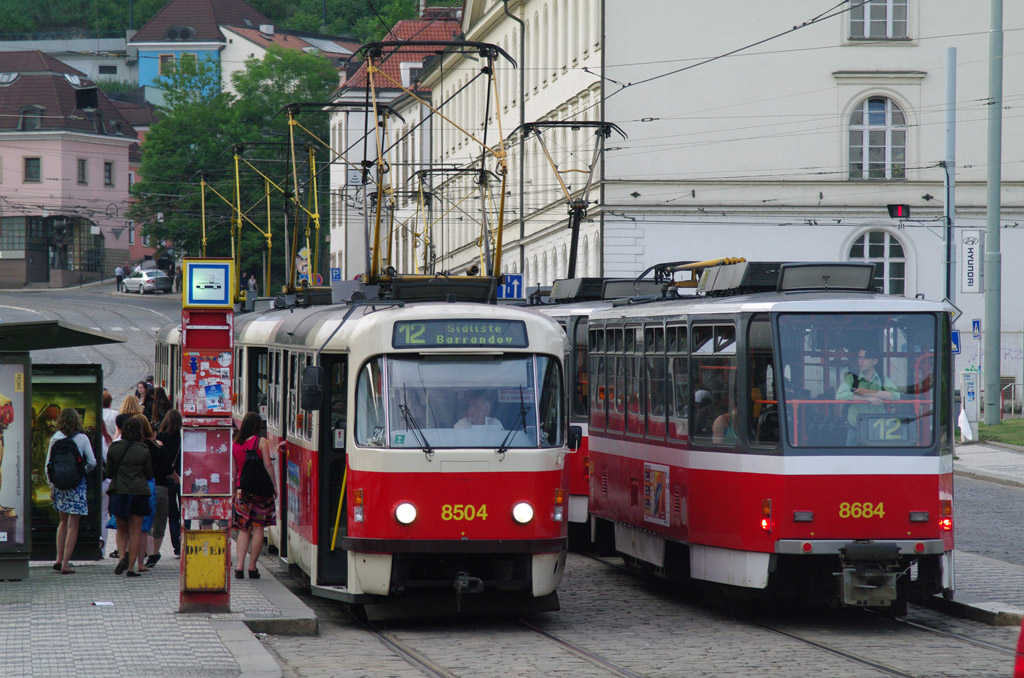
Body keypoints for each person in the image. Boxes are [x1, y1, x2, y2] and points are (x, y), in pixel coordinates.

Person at [45, 408, 97, 574]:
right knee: (73, 525)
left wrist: (51, 486)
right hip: (76, 485)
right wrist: (81, 472)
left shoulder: (56, 438)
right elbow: (93, 462)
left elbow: (48, 466)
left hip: (59, 485)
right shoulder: (82, 438)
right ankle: (66, 564)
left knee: (62, 522)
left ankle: (58, 559)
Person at [232, 412, 277, 580]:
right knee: (258, 528)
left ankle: (239, 567)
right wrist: (275, 486)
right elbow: (267, 464)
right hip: (261, 492)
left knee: (244, 529)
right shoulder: (261, 442)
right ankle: (252, 567)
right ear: (257, 426)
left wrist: (233, 492)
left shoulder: (235, 444)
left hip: (243, 491)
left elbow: (234, 471)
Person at [105, 417, 152, 577]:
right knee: (135, 531)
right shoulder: (143, 449)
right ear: (139, 432)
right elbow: (148, 473)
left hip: (119, 491)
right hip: (138, 493)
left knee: (121, 530)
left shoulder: (115, 447)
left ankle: (122, 557)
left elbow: (109, 473)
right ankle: (131, 568)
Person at [836, 347, 900, 444]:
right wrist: (867, 398)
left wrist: (867, 393)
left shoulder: (883, 379)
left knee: (877, 459)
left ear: (874, 361)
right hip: (855, 430)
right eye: (859, 358)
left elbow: (896, 396)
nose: (860, 361)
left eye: (865, 358)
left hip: (877, 429)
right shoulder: (851, 378)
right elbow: (840, 396)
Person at [133, 414, 163, 572]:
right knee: (146, 526)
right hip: (152, 487)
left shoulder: (126, 446)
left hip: (130, 488)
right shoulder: (155, 446)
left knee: (131, 527)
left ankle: (126, 557)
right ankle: (144, 559)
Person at [156, 409, 183, 558]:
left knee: (172, 514)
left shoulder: (161, 437)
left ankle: (177, 548)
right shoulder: (183, 436)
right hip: (182, 477)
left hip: (167, 478)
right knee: (185, 513)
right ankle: (185, 541)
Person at [100, 390, 118, 551]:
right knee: (105, 514)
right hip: (108, 477)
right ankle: (103, 547)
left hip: (97, 479)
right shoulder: (115, 415)